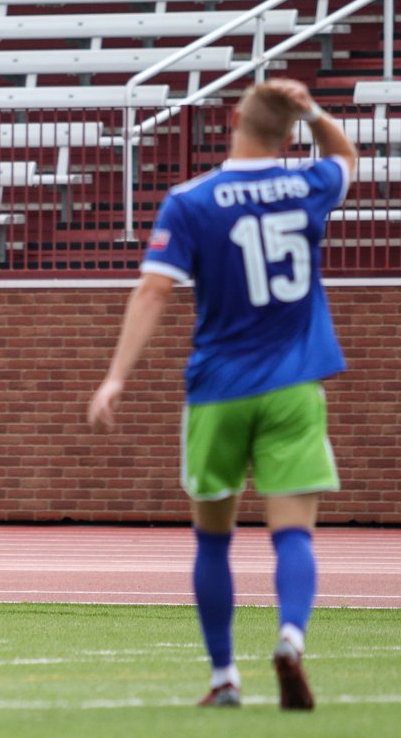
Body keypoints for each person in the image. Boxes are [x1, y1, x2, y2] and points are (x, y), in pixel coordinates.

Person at [87, 78, 357, 711]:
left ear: (235, 119)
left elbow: (154, 290)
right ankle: (291, 636)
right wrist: (314, 110)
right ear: (289, 132)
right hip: (295, 386)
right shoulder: (307, 185)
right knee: (294, 533)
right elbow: (346, 158)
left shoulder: (191, 199)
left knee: (214, 537)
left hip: (219, 389)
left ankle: (224, 676)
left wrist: (117, 375)